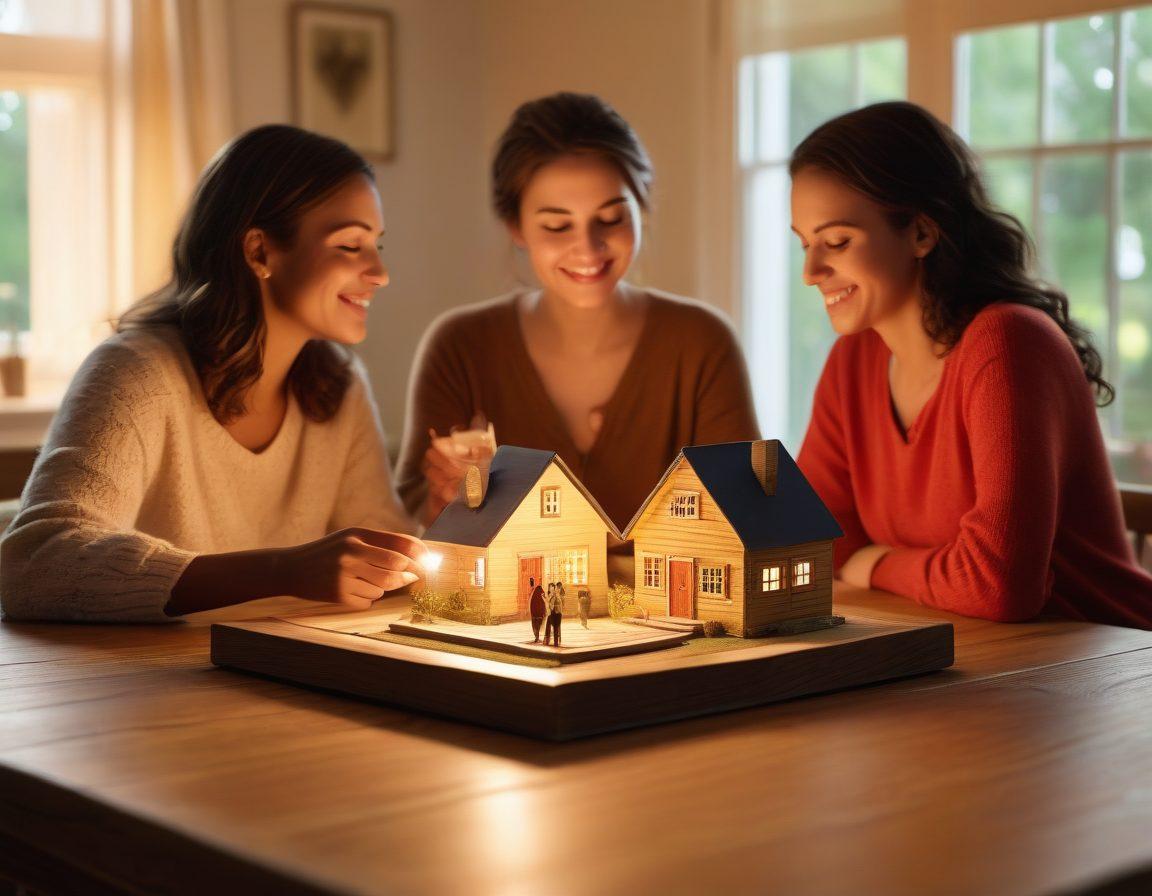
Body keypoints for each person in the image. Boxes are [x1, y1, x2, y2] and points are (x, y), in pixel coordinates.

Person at [0, 125, 427, 623]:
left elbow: (386, 558)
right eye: (351, 246)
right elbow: (35, 562)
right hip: (137, 688)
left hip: (272, 679)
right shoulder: (138, 372)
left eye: (377, 244)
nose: (380, 273)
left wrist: (449, 516)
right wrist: (281, 570)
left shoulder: (339, 385)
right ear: (259, 252)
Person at [790, 101, 1152, 628]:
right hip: (976, 657)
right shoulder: (853, 362)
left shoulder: (1007, 344)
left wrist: (878, 563)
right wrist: (872, 564)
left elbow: (998, 586)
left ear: (920, 232)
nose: (811, 271)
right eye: (804, 244)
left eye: (837, 242)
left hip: (1112, 665)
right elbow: (813, 546)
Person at [397, 92, 760, 532]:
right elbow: (414, 520)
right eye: (557, 225)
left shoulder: (702, 341)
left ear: (642, 208)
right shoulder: (459, 345)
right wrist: (447, 495)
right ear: (516, 226)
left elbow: (746, 518)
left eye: (610, 218)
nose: (587, 248)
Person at [545, 580, 565, 646]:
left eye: (553, 587)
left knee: (553, 625)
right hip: (556, 613)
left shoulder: (557, 595)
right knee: (549, 623)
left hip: (556, 613)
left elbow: (552, 605)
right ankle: (549, 640)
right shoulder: (555, 595)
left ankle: (550, 641)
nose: (557, 589)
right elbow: (550, 604)